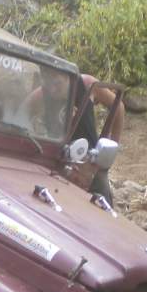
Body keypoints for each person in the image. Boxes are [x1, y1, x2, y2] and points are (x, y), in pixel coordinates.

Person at [22, 70, 125, 203]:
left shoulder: (87, 84)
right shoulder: (42, 94)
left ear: (67, 77)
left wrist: (112, 147)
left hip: (90, 163)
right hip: (58, 162)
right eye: (48, 85)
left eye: (57, 84)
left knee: (103, 204)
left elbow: (118, 107)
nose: (52, 90)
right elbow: (20, 114)